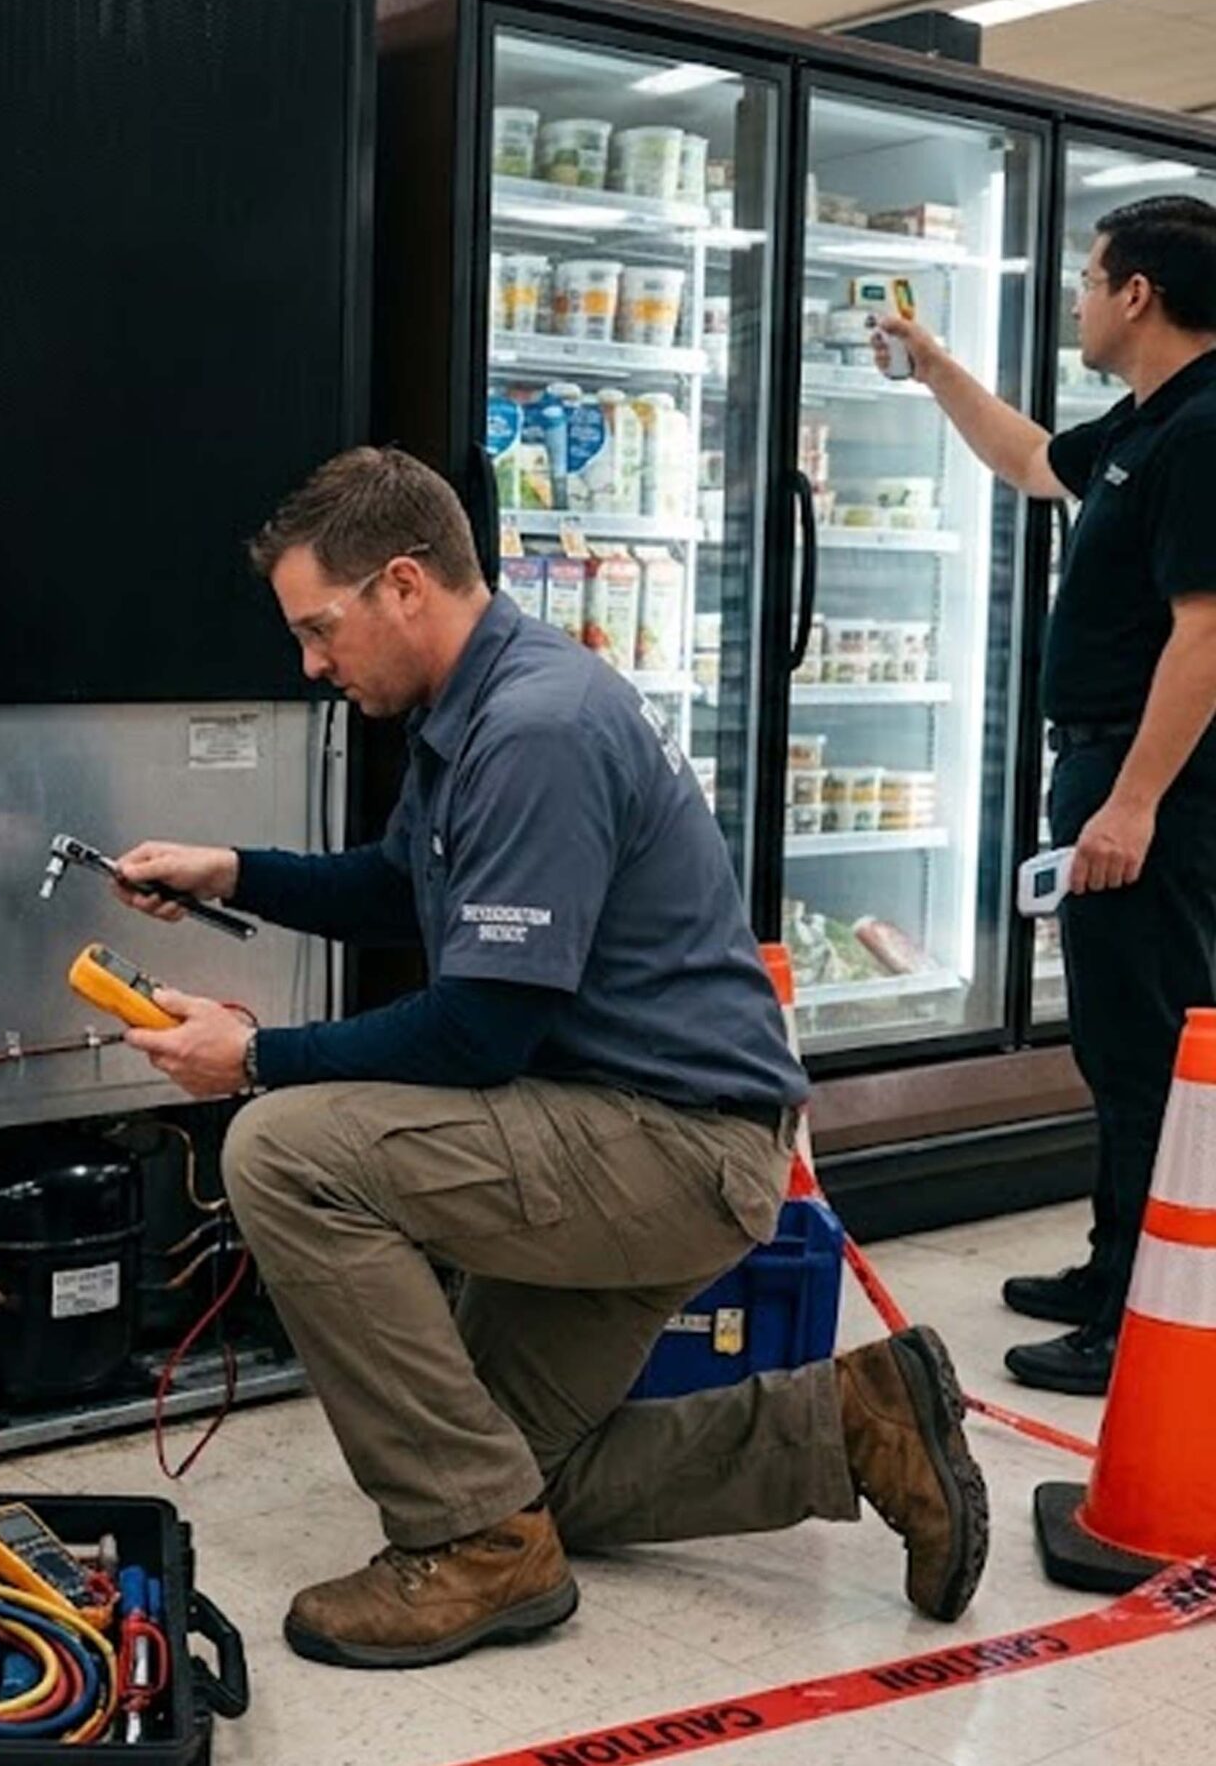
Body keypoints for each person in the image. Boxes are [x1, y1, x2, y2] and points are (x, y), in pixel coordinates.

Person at [111, 446, 986, 1670]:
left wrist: (253, 1058)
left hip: (672, 1146)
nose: (309, 663)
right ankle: (856, 1422)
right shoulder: (480, 704)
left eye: (319, 629)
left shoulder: (536, 729)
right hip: (636, 1126)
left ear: (403, 584)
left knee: (281, 1150)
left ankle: (470, 1546)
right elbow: (399, 887)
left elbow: (476, 1032)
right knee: (521, 1471)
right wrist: (234, 873)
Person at [876, 196, 1216, 1396]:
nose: (1077, 300)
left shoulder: (1203, 432)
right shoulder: (1147, 421)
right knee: (1118, 1044)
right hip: (1109, 768)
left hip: (1149, 782)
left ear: (1137, 294)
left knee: (1150, 1051)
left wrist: (1130, 804)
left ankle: (1140, 1314)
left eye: (1087, 280)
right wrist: (932, 366)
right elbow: (1029, 460)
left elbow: (1205, 636)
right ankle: (1110, 1268)